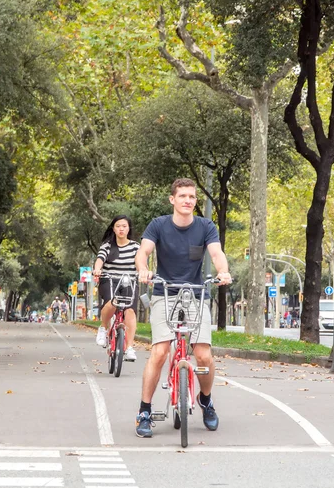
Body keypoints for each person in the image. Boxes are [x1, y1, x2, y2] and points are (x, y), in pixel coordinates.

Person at [134, 178, 232, 438]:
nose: (188, 200)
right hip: (164, 293)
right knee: (160, 351)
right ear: (172, 200)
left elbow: (216, 253)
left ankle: (206, 401)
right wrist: (143, 269)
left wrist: (223, 271)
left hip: (196, 294)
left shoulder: (205, 226)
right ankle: (144, 411)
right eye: (183, 196)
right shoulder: (158, 225)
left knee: (203, 355)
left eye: (192, 197)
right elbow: (143, 252)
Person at [93, 215, 141, 362]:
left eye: (124, 226)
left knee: (130, 311)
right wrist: (97, 270)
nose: (121, 229)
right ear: (113, 229)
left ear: (128, 229)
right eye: (118, 226)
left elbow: (140, 262)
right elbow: (100, 259)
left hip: (129, 282)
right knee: (112, 303)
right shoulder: (107, 246)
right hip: (109, 280)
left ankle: (130, 347)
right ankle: (103, 328)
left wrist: (142, 272)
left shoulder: (135, 246)